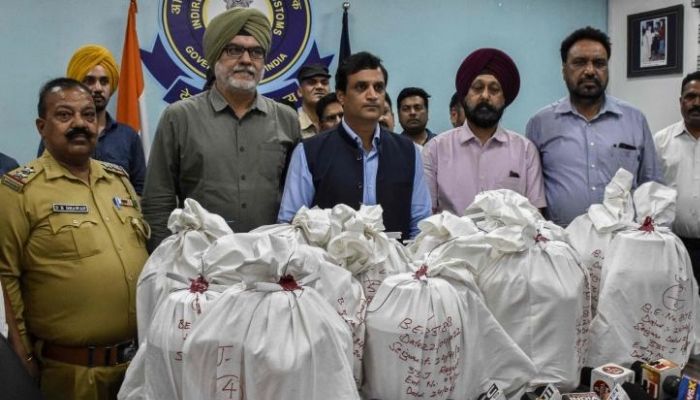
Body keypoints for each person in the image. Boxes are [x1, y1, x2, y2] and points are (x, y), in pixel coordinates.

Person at [0, 78, 148, 400]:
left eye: (88, 114)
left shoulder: (118, 182)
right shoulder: (19, 190)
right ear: (42, 126)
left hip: (135, 368)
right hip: (71, 374)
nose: (80, 123)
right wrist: (22, 357)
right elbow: (6, 280)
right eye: (65, 115)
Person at [142, 7, 301, 250]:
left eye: (256, 52)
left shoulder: (287, 119)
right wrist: (166, 261)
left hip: (270, 264)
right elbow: (158, 200)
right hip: (199, 266)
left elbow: (297, 201)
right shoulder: (179, 117)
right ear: (215, 56)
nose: (246, 60)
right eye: (234, 50)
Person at [277, 51, 431, 239]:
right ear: (341, 96)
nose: (372, 95)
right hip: (328, 266)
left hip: (397, 265)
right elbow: (290, 227)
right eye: (361, 87)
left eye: (379, 87)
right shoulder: (309, 152)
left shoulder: (408, 151)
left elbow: (421, 226)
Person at [526, 26, 662, 226]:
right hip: (562, 245)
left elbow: (651, 186)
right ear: (564, 70)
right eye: (579, 63)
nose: (590, 71)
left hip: (622, 242)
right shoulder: (540, 124)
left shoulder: (634, 120)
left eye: (599, 63)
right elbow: (532, 192)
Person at [423, 48, 545, 215]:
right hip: (452, 241)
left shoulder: (525, 151)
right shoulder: (435, 150)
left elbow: (534, 216)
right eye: (477, 88)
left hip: (510, 241)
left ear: (505, 99)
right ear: (464, 95)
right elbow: (426, 214)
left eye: (494, 90)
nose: (485, 96)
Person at [38, 45, 146, 194]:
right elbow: (43, 183)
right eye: (89, 80)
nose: (98, 88)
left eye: (104, 81)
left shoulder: (128, 136)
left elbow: (140, 191)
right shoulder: (58, 132)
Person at [653, 71, 700, 289]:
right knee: (676, 310)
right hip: (675, 246)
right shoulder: (661, 142)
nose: (696, 103)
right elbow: (650, 191)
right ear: (680, 102)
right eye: (690, 97)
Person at [296, 64, 331, 138]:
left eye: (324, 83)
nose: (319, 86)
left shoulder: (340, 121)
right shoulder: (292, 124)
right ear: (300, 91)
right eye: (312, 82)